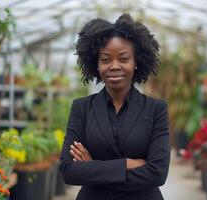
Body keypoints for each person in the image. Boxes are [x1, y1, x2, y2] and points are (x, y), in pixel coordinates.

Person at [59, 13, 170, 200]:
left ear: (136, 63)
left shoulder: (156, 109)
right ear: (96, 64)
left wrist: (93, 168)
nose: (114, 66)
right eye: (106, 59)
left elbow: (158, 173)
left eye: (124, 59)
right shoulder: (82, 108)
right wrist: (126, 163)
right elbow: (69, 170)